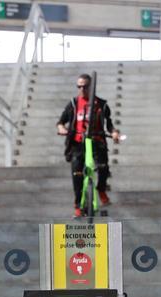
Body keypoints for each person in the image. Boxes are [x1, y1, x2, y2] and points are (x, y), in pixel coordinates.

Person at [56, 73, 120, 218]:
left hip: (97, 141)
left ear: (91, 87)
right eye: (79, 86)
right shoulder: (73, 104)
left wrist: (114, 133)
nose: (82, 89)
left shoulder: (101, 105)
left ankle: (101, 189)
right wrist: (61, 128)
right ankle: (78, 206)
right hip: (78, 144)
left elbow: (109, 125)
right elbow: (61, 122)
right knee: (77, 174)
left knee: (103, 167)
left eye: (85, 86)